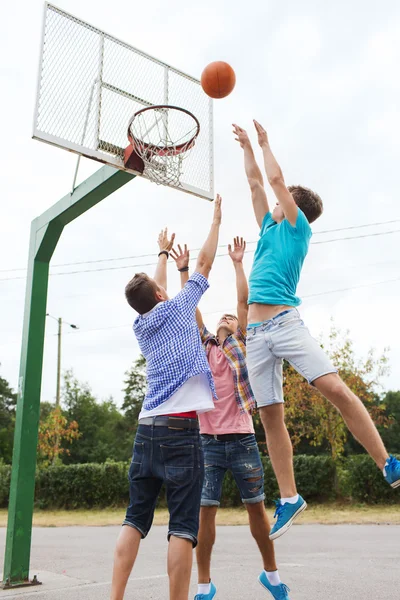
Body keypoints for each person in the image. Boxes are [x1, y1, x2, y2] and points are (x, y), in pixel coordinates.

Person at [233, 120, 400, 541]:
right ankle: (289, 498)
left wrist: (267, 141)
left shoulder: (296, 226)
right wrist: (246, 147)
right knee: (270, 416)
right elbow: (256, 184)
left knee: (336, 390)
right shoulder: (269, 228)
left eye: (280, 200)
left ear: (291, 206)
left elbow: (273, 180)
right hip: (255, 335)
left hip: (286, 324)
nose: (270, 203)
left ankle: (387, 463)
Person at [110, 196, 222, 600]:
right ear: (161, 294)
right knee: (182, 528)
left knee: (134, 519)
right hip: (181, 428)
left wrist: (160, 254)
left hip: (146, 428)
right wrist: (216, 221)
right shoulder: (176, 310)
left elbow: (149, 291)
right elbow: (206, 264)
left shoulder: (142, 326)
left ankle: (115, 596)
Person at [171, 237, 291, 600]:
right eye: (220, 317)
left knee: (256, 510)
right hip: (207, 443)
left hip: (240, 439)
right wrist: (184, 271)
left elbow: (242, 302)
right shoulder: (204, 346)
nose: (225, 317)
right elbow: (191, 308)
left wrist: (238, 263)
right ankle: (205, 586)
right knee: (204, 516)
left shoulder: (241, 342)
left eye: (229, 317)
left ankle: (271, 576)